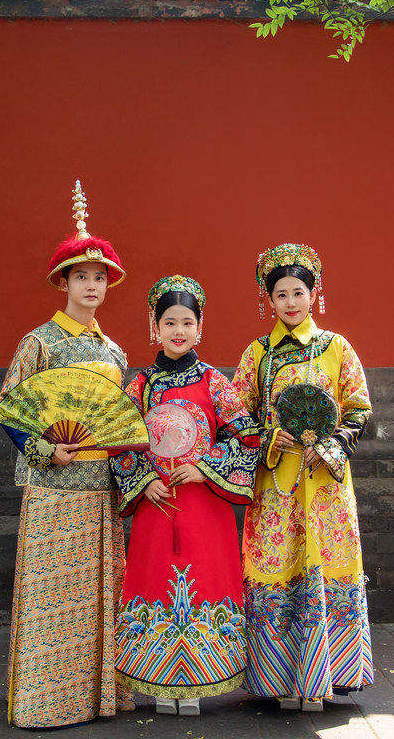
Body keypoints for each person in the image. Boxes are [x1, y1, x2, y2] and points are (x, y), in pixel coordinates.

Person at [0, 181, 135, 728]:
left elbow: (120, 422)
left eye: (100, 278)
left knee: (99, 596)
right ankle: (46, 700)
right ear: (64, 282)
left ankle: (96, 697)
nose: (92, 286)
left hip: (99, 483)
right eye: (82, 277)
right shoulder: (39, 342)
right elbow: (11, 409)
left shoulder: (114, 351)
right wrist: (41, 446)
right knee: (52, 597)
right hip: (53, 484)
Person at [231, 243, 373, 712]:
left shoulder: (337, 348)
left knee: (321, 566)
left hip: (326, 484)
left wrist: (328, 445)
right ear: (268, 301)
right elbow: (239, 418)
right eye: (280, 295)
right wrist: (273, 439)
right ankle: (277, 680)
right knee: (278, 569)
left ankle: (325, 678)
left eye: (298, 292)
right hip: (276, 485)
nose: (290, 303)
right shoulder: (257, 354)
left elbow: (358, 408)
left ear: (314, 294)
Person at [112, 275, 259, 716]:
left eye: (187, 322)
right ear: (154, 327)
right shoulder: (139, 385)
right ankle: (158, 682)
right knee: (154, 581)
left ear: (200, 328)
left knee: (205, 582)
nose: (179, 330)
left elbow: (248, 437)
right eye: (169, 321)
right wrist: (143, 478)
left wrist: (204, 466)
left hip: (204, 504)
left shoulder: (216, 382)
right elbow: (118, 441)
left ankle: (197, 681)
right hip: (157, 506)